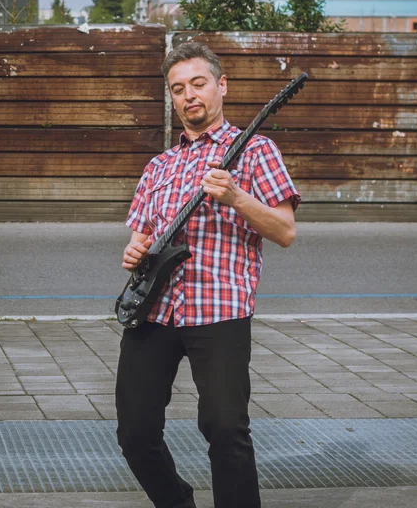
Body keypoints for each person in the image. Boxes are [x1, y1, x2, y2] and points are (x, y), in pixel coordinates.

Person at [115, 41, 300, 508]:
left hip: (219, 311)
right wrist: (135, 248)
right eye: (178, 89)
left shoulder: (256, 150)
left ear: (221, 85)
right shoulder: (159, 165)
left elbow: (285, 231)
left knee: (224, 429)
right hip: (154, 311)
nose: (188, 95)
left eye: (198, 84)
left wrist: (237, 197)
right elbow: (141, 237)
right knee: (134, 432)